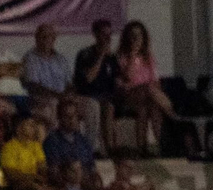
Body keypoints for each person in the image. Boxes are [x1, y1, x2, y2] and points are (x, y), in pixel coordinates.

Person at [117, 21, 175, 157]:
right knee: (148, 88)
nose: (136, 39)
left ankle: (158, 147)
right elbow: (128, 78)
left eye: (139, 36)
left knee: (153, 107)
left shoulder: (148, 57)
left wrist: (153, 91)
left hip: (147, 97)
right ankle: (172, 112)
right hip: (129, 94)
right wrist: (132, 54)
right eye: (133, 36)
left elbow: (156, 82)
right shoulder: (122, 56)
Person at [74, 20, 120, 156]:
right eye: (104, 34)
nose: (107, 38)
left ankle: (109, 149)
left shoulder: (112, 57)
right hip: (87, 95)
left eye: (109, 34)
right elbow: (88, 78)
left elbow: (116, 80)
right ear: (95, 34)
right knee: (95, 105)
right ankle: (92, 149)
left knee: (109, 106)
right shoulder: (85, 54)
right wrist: (100, 56)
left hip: (107, 96)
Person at [21, 24, 73, 124]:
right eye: (43, 37)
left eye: (50, 37)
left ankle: (83, 139)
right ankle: (53, 139)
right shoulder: (30, 58)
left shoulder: (60, 58)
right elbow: (33, 86)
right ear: (36, 38)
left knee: (90, 105)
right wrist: (58, 96)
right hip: (40, 99)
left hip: (62, 97)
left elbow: (69, 82)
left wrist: (68, 95)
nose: (46, 40)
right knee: (52, 104)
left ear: (54, 39)